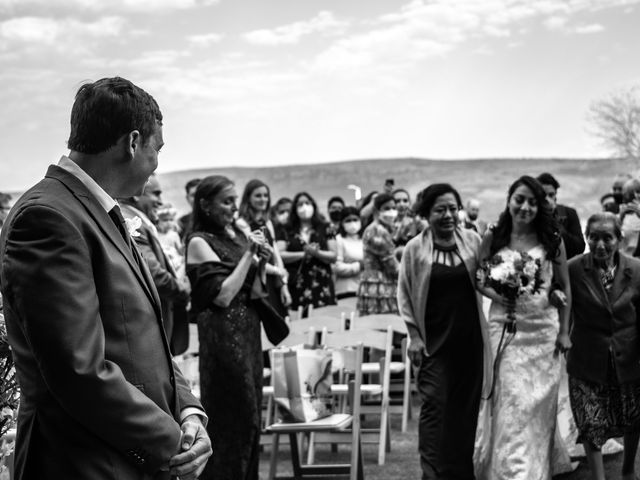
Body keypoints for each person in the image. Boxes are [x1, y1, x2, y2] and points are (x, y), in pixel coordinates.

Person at [0, 76, 210, 479]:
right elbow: (78, 370)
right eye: (157, 149)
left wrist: (188, 409)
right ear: (132, 143)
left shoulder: (99, 210)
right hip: (84, 463)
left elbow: (142, 336)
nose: (157, 164)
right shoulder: (48, 217)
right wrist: (173, 442)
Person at [475, 175, 573, 479]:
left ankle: (534, 470)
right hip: (505, 331)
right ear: (509, 200)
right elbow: (478, 275)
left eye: (533, 201)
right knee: (511, 403)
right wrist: (501, 291)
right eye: (520, 199)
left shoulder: (551, 240)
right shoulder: (495, 236)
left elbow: (565, 287)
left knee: (535, 409)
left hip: (543, 335)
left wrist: (564, 332)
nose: (526, 207)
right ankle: (512, 472)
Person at [398, 183, 491, 480]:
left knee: (465, 412)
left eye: (453, 208)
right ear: (427, 213)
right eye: (440, 209)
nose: (449, 215)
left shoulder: (473, 241)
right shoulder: (415, 249)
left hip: (469, 342)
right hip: (433, 344)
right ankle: (432, 474)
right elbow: (405, 294)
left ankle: (461, 473)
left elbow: (486, 280)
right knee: (434, 408)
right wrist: (413, 335)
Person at [185, 175, 272, 480]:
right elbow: (222, 295)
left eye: (235, 200)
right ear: (205, 205)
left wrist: (260, 260)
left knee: (252, 420)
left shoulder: (236, 235)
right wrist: (249, 254)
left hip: (249, 333)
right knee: (234, 417)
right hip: (223, 337)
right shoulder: (198, 242)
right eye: (226, 201)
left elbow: (252, 286)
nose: (234, 207)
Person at [567, 212, 640, 480]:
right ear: (587, 238)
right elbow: (555, 293)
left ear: (619, 239)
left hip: (628, 354)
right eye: (594, 237)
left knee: (633, 416)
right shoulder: (574, 268)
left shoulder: (636, 269)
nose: (600, 244)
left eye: (607, 237)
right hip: (586, 356)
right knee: (590, 420)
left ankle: (629, 469)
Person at [120, 174, 191, 355]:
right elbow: (154, 274)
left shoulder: (141, 221)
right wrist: (184, 290)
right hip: (148, 328)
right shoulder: (130, 222)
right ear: (137, 192)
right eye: (156, 194)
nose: (160, 201)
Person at [237, 179, 291, 317]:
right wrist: (278, 271)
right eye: (258, 195)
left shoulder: (267, 222)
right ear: (248, 198)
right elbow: (251, 258)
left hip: (275, 281)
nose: (263, 199)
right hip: (258, 280)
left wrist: (284, 285)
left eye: (265, 195)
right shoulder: (241, 224)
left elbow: (276, 254)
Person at [276, 191, 337, 316]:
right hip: (297, 284)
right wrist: (303, 254)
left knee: (325, 322)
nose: (304, 207)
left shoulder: (326, 227)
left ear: (313, 205)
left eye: (307, 203)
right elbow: (279, 255)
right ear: (295, 209)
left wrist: (317, 253)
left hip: (321, 284)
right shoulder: (286, 230)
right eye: (300, 204)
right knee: (299, 325)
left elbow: (333, 256)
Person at [356, 193, 400, 315]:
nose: (391, 212)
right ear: (376, 211)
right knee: (384, 328)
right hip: (380, 286)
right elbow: (392, 266)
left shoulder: (380, 229)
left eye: (393, 208)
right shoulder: (377, 231)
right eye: (386, 208)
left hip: (376, 284)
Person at [537, 172, 585, 259]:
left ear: (556, 195)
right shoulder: (532, 214)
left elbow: (580, 247)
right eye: (543, 195)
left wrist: (558, 227)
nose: (547, 199)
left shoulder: (569, 213)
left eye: (551, 195)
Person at [333, 206, 364, 299]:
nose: (352, 223)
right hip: (347, 290)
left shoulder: (365, 239)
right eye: (348, 220)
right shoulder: (339, 240)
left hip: (365, 289)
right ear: (342, 223)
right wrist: (359, 266)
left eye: (355, 219)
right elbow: (337, 267)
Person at [619, 178, 640, 256]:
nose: (636, 196)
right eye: (631, 194)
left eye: (638, 192)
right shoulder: (622, 211)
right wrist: (621, 217)